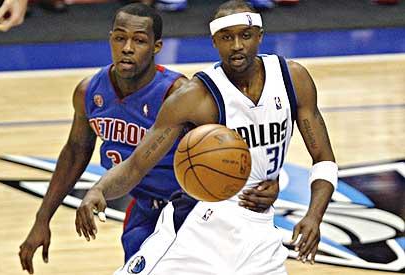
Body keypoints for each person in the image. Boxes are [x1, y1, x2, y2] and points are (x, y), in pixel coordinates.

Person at [76, 0, 338, 274]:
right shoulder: (194, 97)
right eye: (227, 38)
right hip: (198, 224)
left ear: (259, 36)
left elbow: (324, 159)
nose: (236, 45)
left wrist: (313, 216)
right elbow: (137, 164)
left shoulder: (293, 80)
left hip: (259, 233)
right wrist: (99, 190)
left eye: (245, 35)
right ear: (214, 41)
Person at [18, 3, 279, 274]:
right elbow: (74, 154)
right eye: (120, 38)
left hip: (192, 210)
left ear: (156, 47)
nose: (127, 48)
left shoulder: (180, 93)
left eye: (139, 40)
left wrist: (269, 183)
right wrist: (42, 218)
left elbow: (234, 147)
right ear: (110, 39)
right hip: (143, 210)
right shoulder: (89, 92)